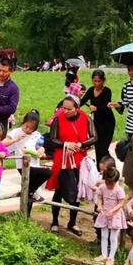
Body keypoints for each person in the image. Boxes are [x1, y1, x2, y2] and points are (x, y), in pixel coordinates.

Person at [46, 94, 97, 236]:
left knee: (76, 189)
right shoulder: (58, 118)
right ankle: (55, 221)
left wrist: (81, 144)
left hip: (79, 156)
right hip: (62, 157)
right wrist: (66, 144)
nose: (65, 111)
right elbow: (52, 139)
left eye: (69, 109)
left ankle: (72, 222)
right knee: (59, 188)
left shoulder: (86, 118)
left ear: (77, 108)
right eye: (64, 108)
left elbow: (94, 137)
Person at [5, 110, 50, 212]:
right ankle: (30, 193)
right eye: (27, 126)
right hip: (23, 165)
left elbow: (41, 146)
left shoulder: (37, 134)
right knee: (47, 172)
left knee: (29, 188)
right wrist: (16, 140)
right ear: (23, 122)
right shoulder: (16, 132)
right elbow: (3, 144)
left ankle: (26, 214)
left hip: (35, 164)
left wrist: (42, 150)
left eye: (31, 128)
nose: (28, 130)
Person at [93, 167, 127, 265]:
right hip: (105, 213)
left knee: (113, 237)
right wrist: (99, 206)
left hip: (115, 215)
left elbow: (121, 203)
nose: (109, 185)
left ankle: (111, 257)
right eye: (107, 183)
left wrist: (112, 211)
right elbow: (99, 197)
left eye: (111, 183)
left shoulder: (119, 190)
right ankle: (104, 254)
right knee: (104, 235)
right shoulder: (102, 187)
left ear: (115, 181)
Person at [81, 69, 115, 167]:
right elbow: (82, 101)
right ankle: (99, 170)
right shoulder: (91, 90)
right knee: (97, 147)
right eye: (94, 81)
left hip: (108, 123)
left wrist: (96, 108)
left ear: (103, 81)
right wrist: (73, 104)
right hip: (97, 123)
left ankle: (110, 167)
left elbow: (107, 106)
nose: (97, 83)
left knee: (103, 149)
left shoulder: (107, 91)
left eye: (99, 81)